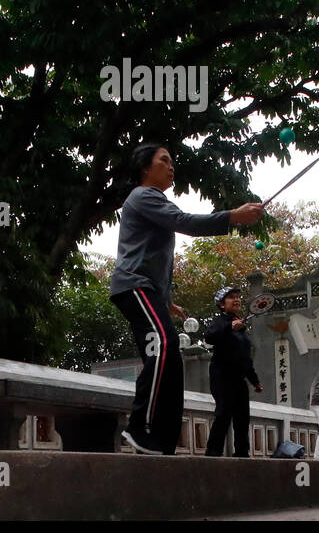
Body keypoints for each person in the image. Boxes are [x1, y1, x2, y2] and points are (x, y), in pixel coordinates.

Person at [110, 143, 263, 454]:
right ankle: (141, 427)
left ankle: (163, 442)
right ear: (144, 169)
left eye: (171, 162)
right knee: (163, 346)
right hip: (133, 286)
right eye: (163, 161)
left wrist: (166, 300)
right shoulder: (143, 195)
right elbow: (185, 223)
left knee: (171, 360)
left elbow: (152, 257)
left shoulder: (151, 202)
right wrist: (232, 216)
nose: (171, 167)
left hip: (148, 290)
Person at [204, 287, 263, 457]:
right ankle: (213, 452)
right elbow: (209, 336)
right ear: (222, 304)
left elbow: (245, 358)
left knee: (242, 417)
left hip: (239, 379)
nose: (236, 300)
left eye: (237, 297)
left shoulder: (242, 329)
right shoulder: (220, 322)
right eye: (231, 297)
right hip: (222, 376)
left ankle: (242, 453)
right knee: (223, 413)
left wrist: (254, 380)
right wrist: (229, 326)